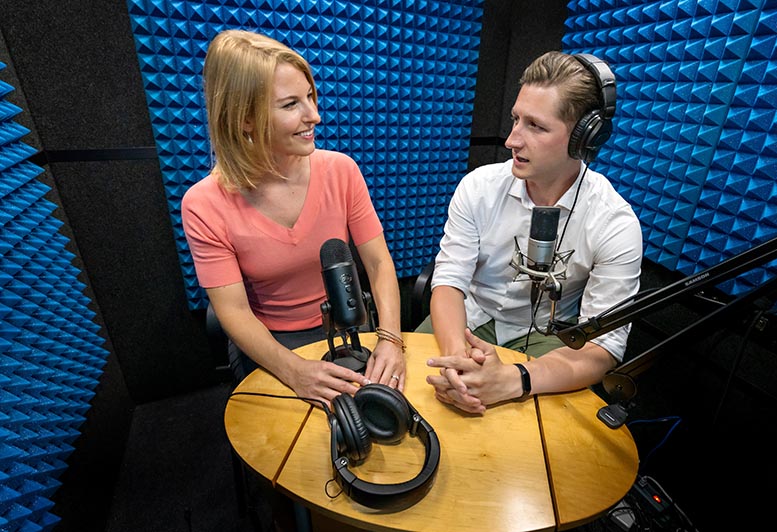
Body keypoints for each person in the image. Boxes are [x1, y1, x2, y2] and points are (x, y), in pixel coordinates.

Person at [181, 29, 405, 406]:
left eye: (310, 97)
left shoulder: (342, 171)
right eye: (290, 105)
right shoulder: (203, 204)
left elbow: (379, 262)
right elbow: (232, 310)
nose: (314, 115)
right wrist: (293, 371)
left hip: (350, 326)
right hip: (272, 343)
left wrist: (390, 339)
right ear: (245, 118)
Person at [420, 51, 643, 414]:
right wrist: (458, 364)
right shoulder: (478, 187)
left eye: (535, 126)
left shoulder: (614, 223)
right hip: (468, 320)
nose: (512, 139)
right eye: (515, 120)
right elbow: (448, 281)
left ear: (584, 137)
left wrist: (513, 380)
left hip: (547, 340)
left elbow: (604, 349)